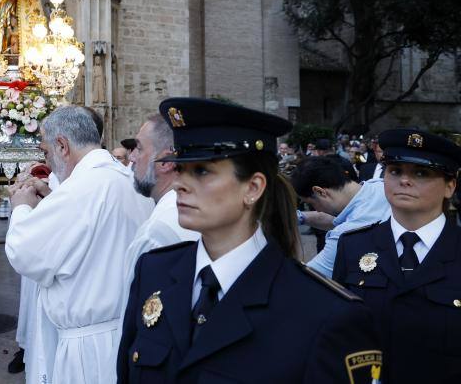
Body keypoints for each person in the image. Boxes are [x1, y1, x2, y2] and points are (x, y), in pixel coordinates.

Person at [117, 97, 382, 383]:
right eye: (180, 168)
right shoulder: (155, 272)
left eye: (202, 171)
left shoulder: (321, 311)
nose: (181, 183)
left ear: (253, 187)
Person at [6, 105, 148, 384]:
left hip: (88, 347)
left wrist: (22, 208)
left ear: (62, 146)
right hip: (124, 330)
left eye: (46, 151)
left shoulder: (81, 187)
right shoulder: (128, 181)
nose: (47, 159)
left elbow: (25, 253)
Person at [333, 129, 461, 384]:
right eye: (395, 171)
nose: (404, 180)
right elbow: (339, 334)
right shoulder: (353, 245)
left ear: (450, 186)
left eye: (421, 173)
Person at [124, 114, 199, 287]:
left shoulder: (155, 235)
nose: (132, 157)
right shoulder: (198, 210)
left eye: (139, 148)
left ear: (165, 162)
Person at [291, 156, 391, 278]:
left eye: (310, 203)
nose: (317, 210)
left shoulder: (344, 236)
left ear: (320, 192)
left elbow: (305, 280)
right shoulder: (380, 186)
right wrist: (300, 217)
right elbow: (336, 221)